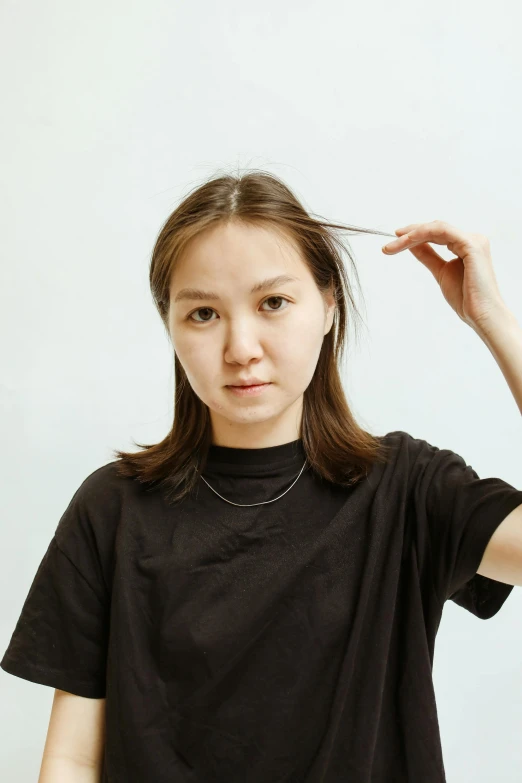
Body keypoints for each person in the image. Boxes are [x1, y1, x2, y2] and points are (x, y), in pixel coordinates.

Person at [2, 170, 522, 783]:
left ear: (329, 306)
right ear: (169, 326)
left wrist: (495, 323)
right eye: (202, 313)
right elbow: (71, 759)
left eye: (272, 302)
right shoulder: (112, 508)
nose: (241, 346)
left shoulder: (408, 490)